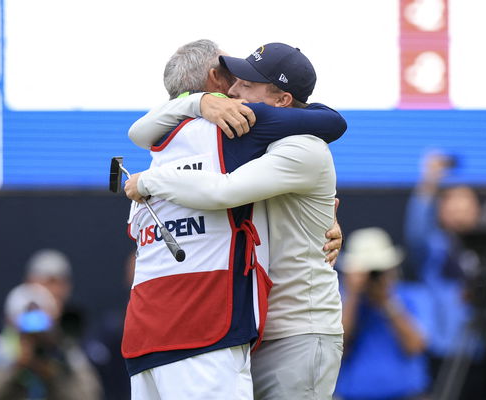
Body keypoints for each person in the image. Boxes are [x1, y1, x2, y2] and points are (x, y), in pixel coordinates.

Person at [125, 40, 345, 399]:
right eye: (233, 80)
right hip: (257, 329)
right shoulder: (249, 140)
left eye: (247, 83)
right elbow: (138, 132)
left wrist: (148, 182)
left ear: (282, 101)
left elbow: (223, 191)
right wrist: (198, 102)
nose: (232, 90)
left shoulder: (303, 145)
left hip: (299, 329)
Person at [404, 151, 486, 399]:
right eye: (453, 203)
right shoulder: (433, 248)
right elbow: (417, 227)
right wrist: (430, 179)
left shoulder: (482, 251)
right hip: (445, 353)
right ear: (440, 211)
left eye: (467, 204)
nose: (461, 211)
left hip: (481, 351)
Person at [335, 227, 432, 400]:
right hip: (353, 395)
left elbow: (416, 346)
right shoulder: (339, 300)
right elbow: (336, 346)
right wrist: (354, 297)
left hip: (406, 394)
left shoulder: (412, 296)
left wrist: (388, 302)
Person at [0, 283, 103, 400]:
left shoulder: (66, 356)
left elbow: (90, 396)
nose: (34, 338)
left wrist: (55, 372)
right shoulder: (2, 354)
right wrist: (15, 367)